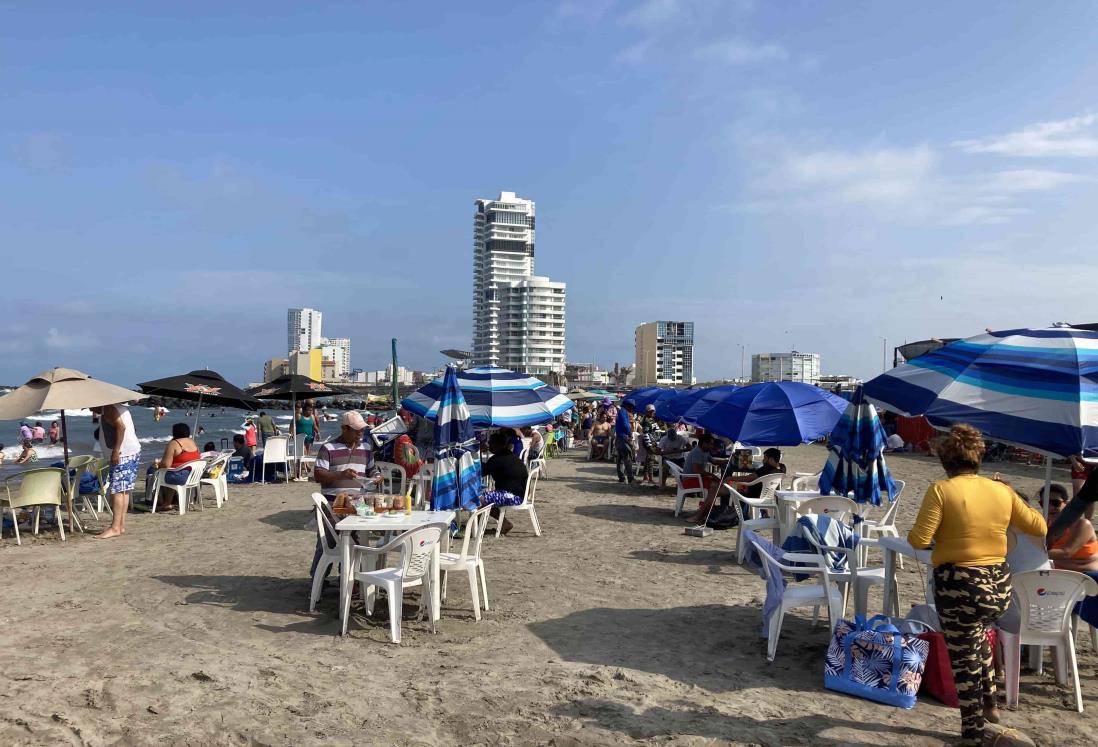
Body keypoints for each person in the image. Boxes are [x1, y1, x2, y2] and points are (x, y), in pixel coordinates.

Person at [907, 424, 1045, 747]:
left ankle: (972, 735)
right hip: (998, 586)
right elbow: (1039, 526)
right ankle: (991, 702)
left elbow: (918, 538)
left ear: (946, 460)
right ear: (978, 457)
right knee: (979, 637)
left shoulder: (941, 490)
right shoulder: (1001, 490)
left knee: (963, 662)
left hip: (961, 587)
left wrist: (946, 535)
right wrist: (1007, 496)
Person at [311, 411, 382, 577]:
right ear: (344, 428)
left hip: (358, 505)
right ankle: (318, 578)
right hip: (331, 506)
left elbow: (372, 469)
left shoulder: (365, 448)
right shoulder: (328, 448)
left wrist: (377, 477)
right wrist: (340, 475)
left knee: (357, 542)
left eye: (362, 430)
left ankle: (350, 577)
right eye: (356, 430)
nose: (360, 433)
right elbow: (318, 475)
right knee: (326, 543)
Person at [89, 403, 142, 539]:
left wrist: (116, 451)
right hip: (131, 452)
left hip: (123, 453)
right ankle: (120, 525)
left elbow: (121, 427)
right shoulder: (114, 407)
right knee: (124, 490)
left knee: (117, 490)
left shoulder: (109, 408)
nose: (90, 409)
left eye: (90, 406)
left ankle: (115, 527)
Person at [481, 430, 529, 536]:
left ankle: (500, 524)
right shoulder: (509, 456)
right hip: (521, 493)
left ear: (498, 445)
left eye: (490, 443)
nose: (488, 445)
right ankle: (486, 526)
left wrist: (479, 452)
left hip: (513, 496)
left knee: (478, 499)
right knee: (486, 496)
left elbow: (480, 472)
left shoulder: (497, 459)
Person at [1043, 483, 1098, 572]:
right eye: (1044, 503)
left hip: (1089, 578)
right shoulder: (1043, 526)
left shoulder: (1082, 525)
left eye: (1055, 503)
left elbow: (1066, 552)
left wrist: (1034, 554)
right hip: (1058, 577)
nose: (1051, 507)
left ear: (1067, 503)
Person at [154, 423, 202, 511]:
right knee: (172, 472)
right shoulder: (193, 442)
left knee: (158, 472)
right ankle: (173, 501)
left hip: (180, 477)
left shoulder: (174, 444)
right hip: (194, 476)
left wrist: (157, 464)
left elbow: (166, 465)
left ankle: (165, 503)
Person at [615, 401, 636, 484]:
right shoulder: (623, 412)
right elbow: (625, 425)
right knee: (627, 459)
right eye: (631, 407)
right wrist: (630, 433)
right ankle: (630, 478)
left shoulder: (620, 412)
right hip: (624, 438)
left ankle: (621, 477)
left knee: (620, 459)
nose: (632, 409)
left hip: (619, 437)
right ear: (628, 406)